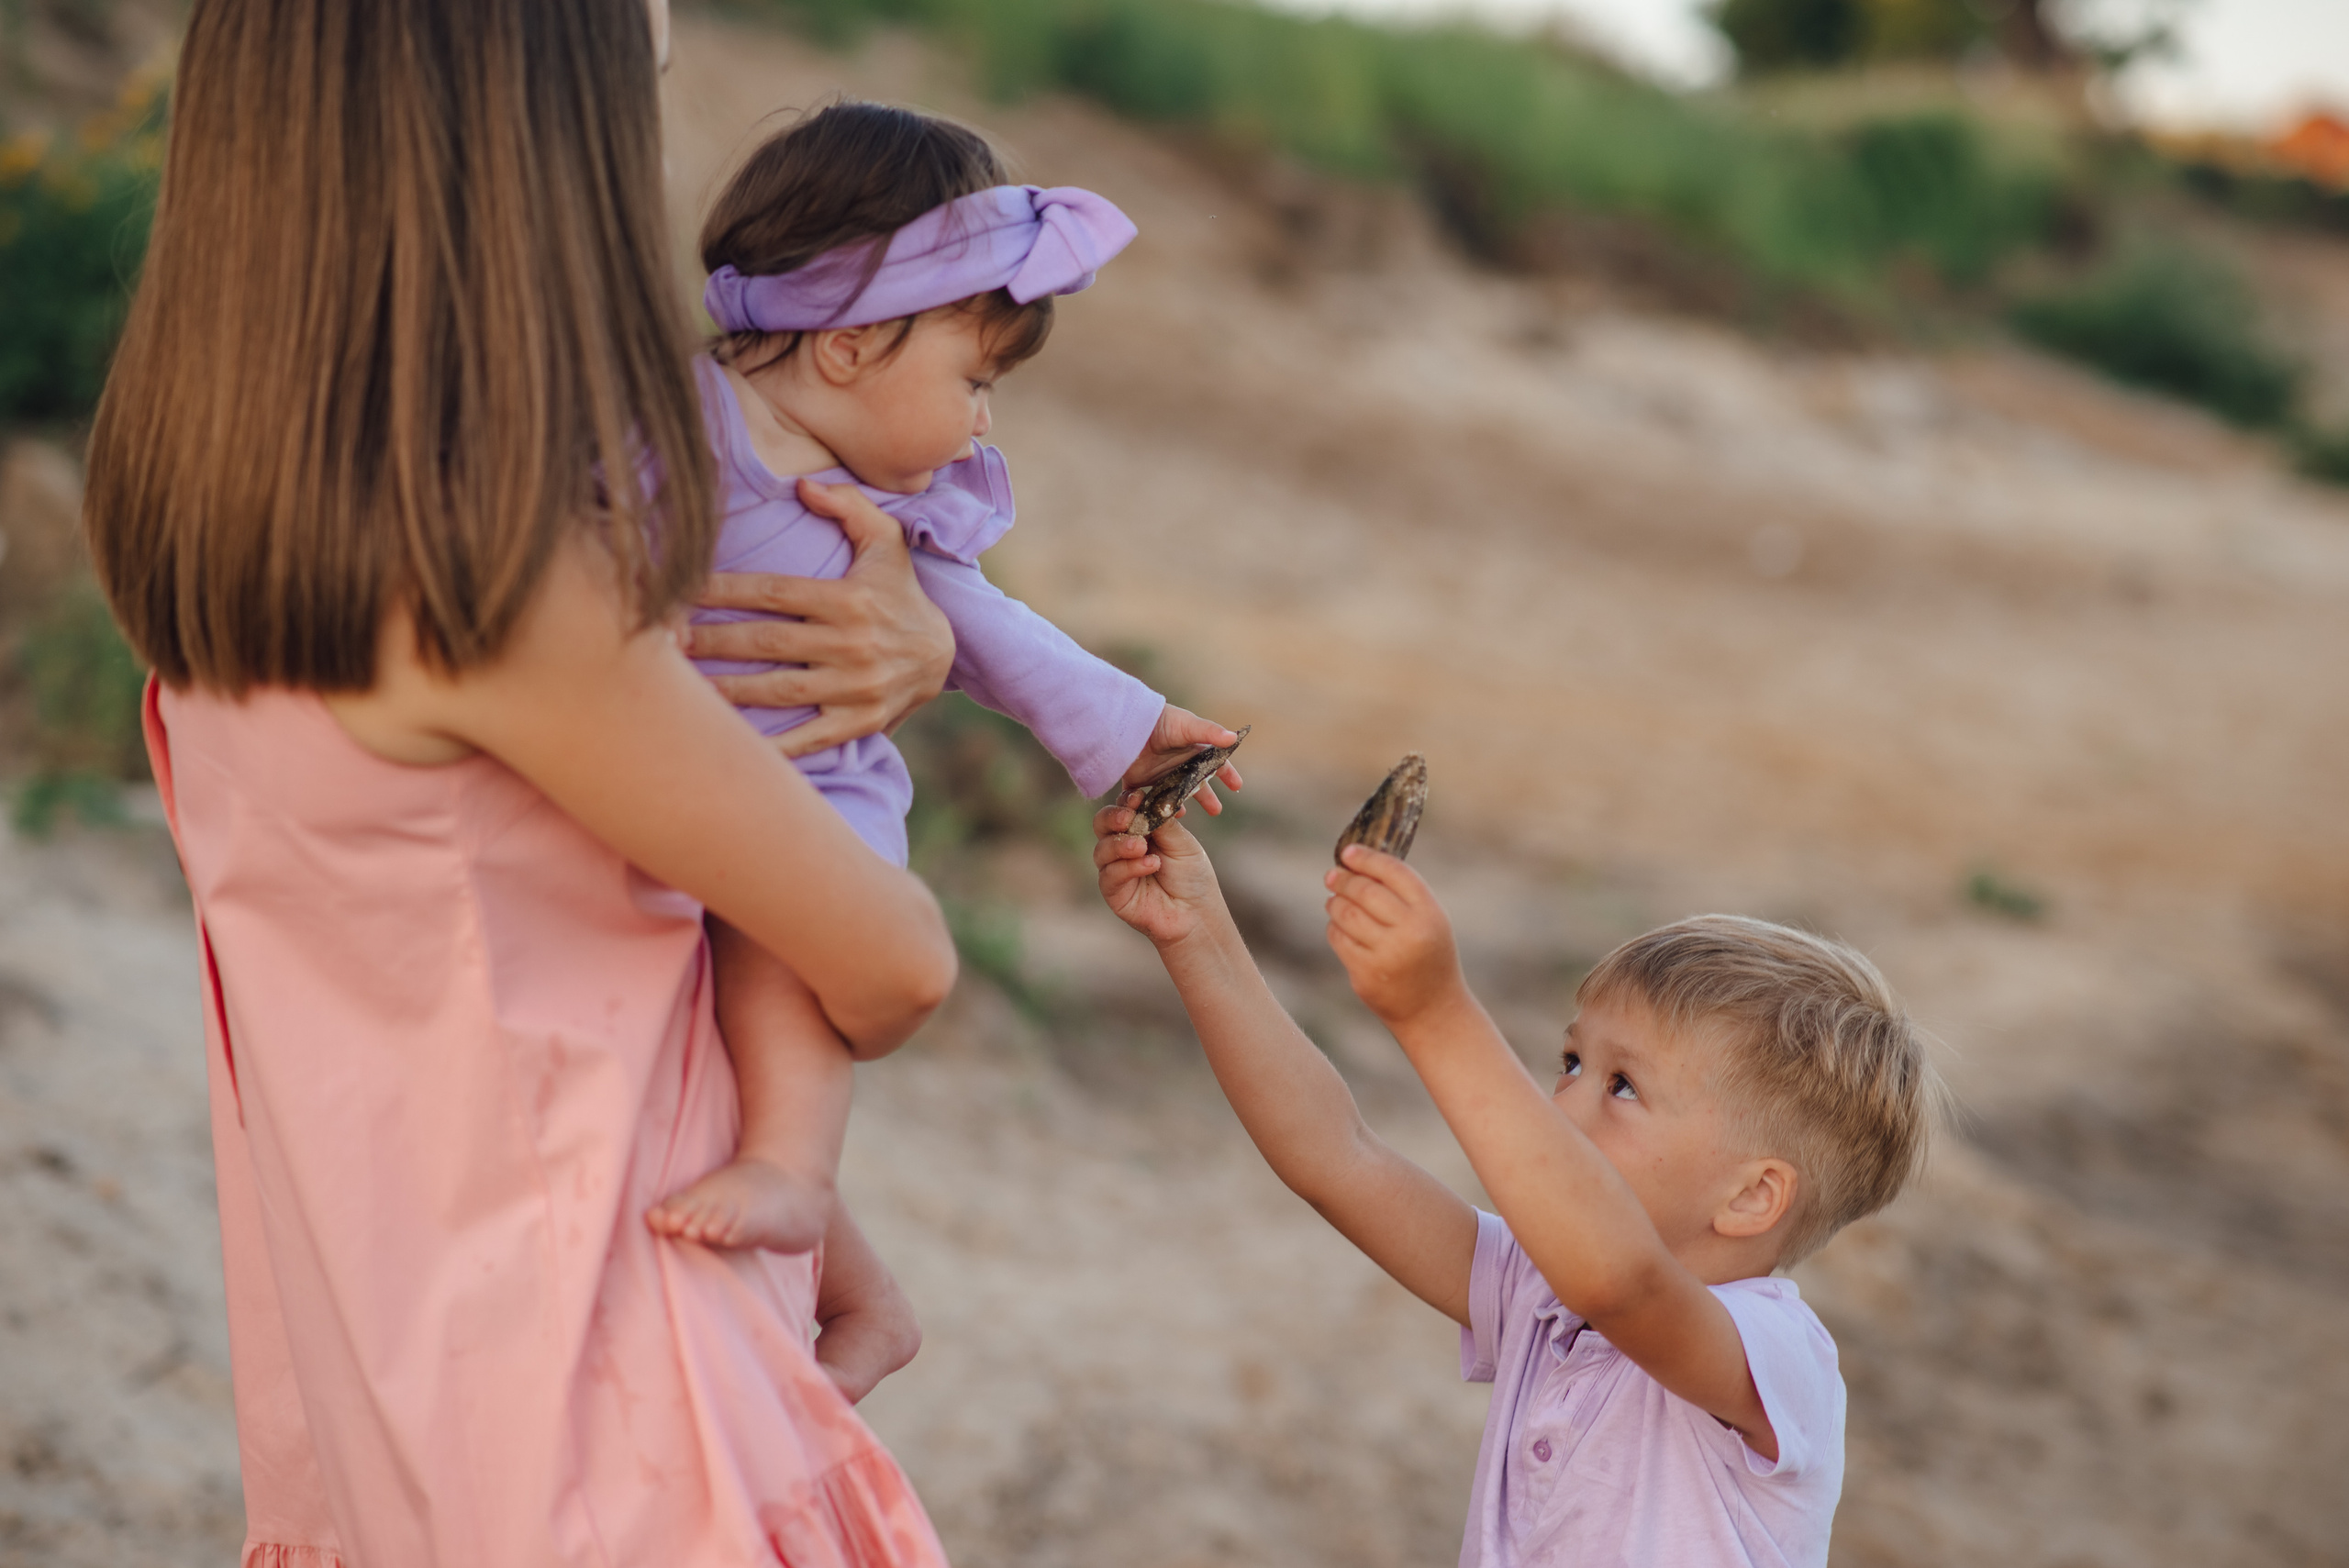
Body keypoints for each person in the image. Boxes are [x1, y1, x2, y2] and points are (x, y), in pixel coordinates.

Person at [83, 2, 959, 1562]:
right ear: (533, 141)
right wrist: (906, 671)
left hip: (402, 1405)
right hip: (612, 1434)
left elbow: (506, 988)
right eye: (642, 84)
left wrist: (828, 1229)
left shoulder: (222, 556)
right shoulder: (503, 600)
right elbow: (896, 965)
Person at [644, 103, 1245, 1255]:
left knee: (785, 952)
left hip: (814, 788)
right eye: (974, 379)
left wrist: (1130, 726)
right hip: (646, 758)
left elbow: (990, 631)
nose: (981, 421)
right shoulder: (668, 420)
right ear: (850, 341)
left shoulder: (886, 507)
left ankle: (790, 1165)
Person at [1091, 812, 1943, 1567]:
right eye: (1570, 1061)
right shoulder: (1540, 1290)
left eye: (1622, 1086)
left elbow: (1624, 1281)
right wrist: (1198, 936)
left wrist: (1436, 1014)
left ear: (1752, 1197)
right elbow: (1337, 1157)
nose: (1561, 1102)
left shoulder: (1779, 1354)